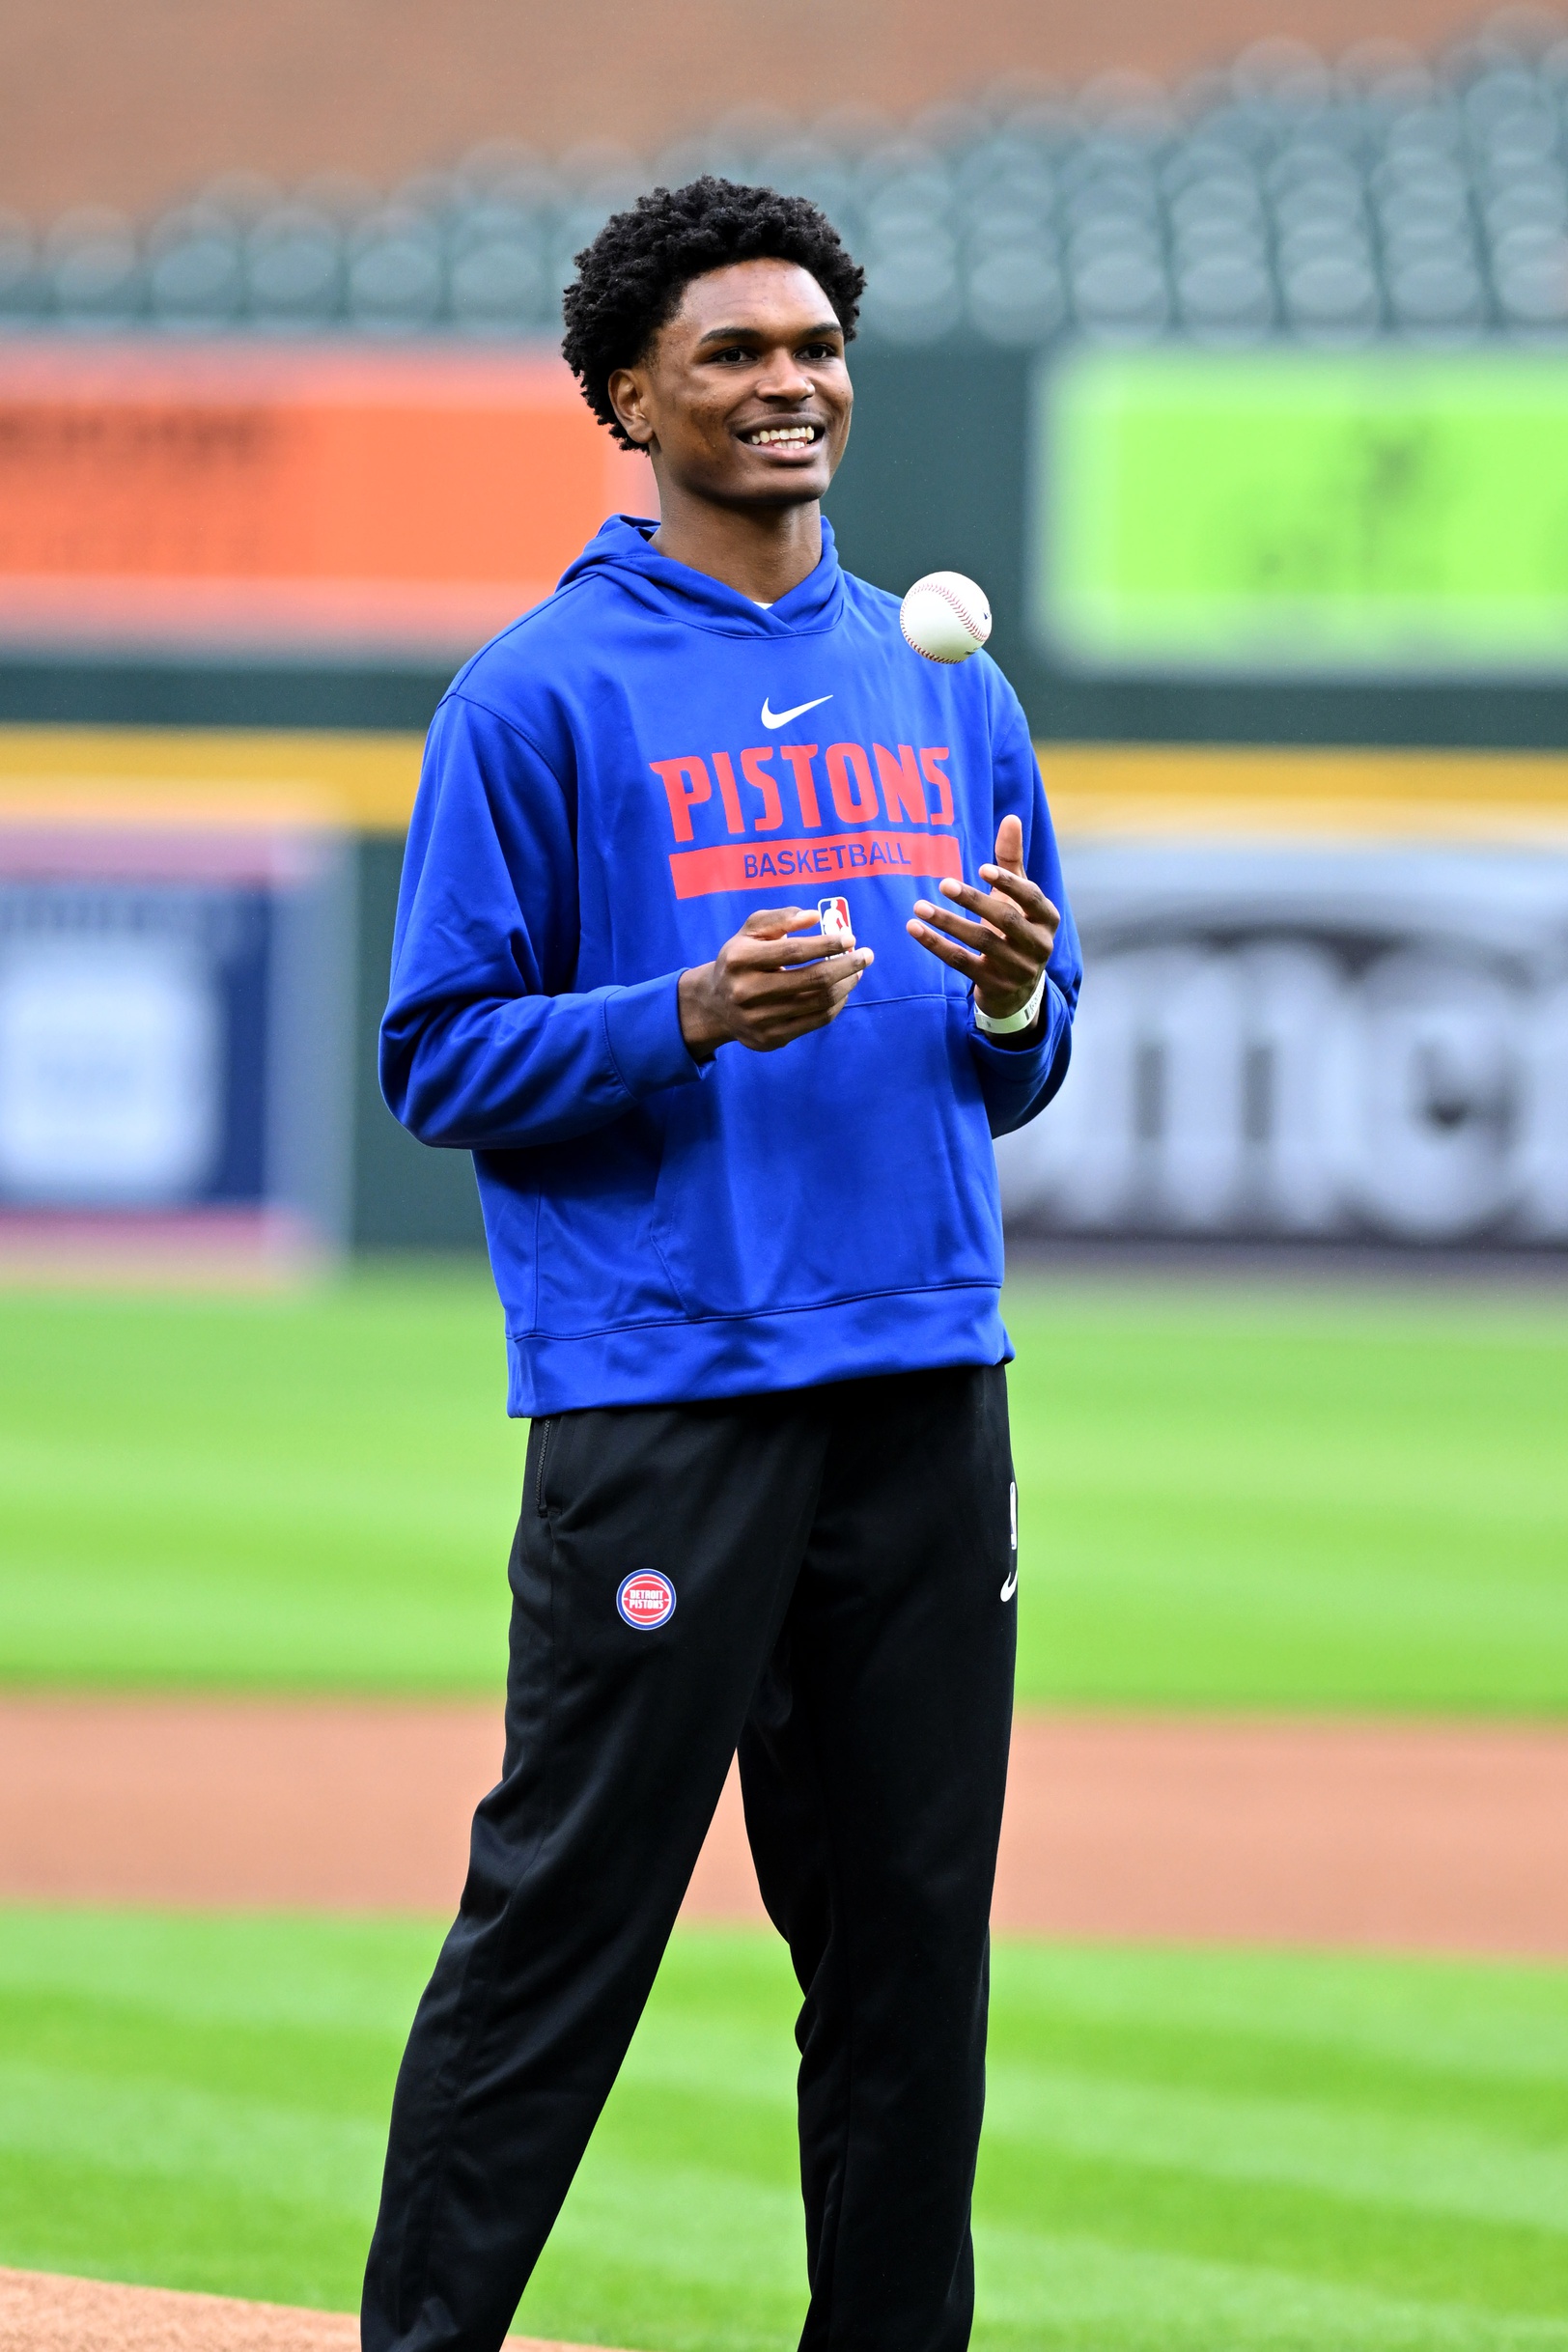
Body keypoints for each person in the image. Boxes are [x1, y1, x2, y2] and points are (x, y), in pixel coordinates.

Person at [362, 175, 1082, 2352]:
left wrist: (1010, 1001)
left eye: (809, 349)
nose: (789, 385)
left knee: (903, 1954)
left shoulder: (942, 685)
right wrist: (684, 1008)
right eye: (732, 356)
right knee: (560, 1930)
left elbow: (1023, 1070)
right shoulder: (536, 697)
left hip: (922, 1387)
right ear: (626, 398)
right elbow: (439, 1056)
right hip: (663, 1396)